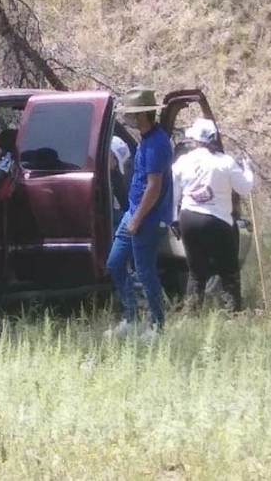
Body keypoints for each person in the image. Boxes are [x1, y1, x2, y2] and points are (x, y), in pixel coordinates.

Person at [105, 87, 174, 341]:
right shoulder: (146, 139)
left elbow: (154, 187)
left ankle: (157, 325)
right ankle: (130, 317)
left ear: (142, 115)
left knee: (145, 271)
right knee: (115, 263)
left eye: (131, 114)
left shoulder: (157, 142)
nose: (127, 119)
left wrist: (136, 220)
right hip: (132, 214)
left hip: (148, 219)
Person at [171, 118, 254, 313]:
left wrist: (173, 217)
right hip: (218, 220)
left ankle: (190, 312)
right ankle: (231, 312)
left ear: (194, 140)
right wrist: (249, 169)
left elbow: (173, 192)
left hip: (189, 217)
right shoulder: (225, 162)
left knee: (196, 272)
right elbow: (244, 188)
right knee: (228, 270)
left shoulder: (183, 161)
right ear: (213, 138)